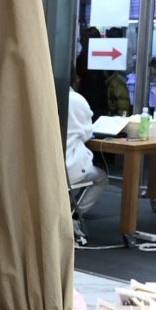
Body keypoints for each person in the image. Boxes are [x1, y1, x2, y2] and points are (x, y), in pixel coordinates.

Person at [66, 84, 108, 239]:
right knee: (101, 177)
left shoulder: (41, 96)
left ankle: (66, 211)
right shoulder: (76, 100)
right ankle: (74, 214)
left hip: (41, 169)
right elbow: (87, 135)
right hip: (69, 168)